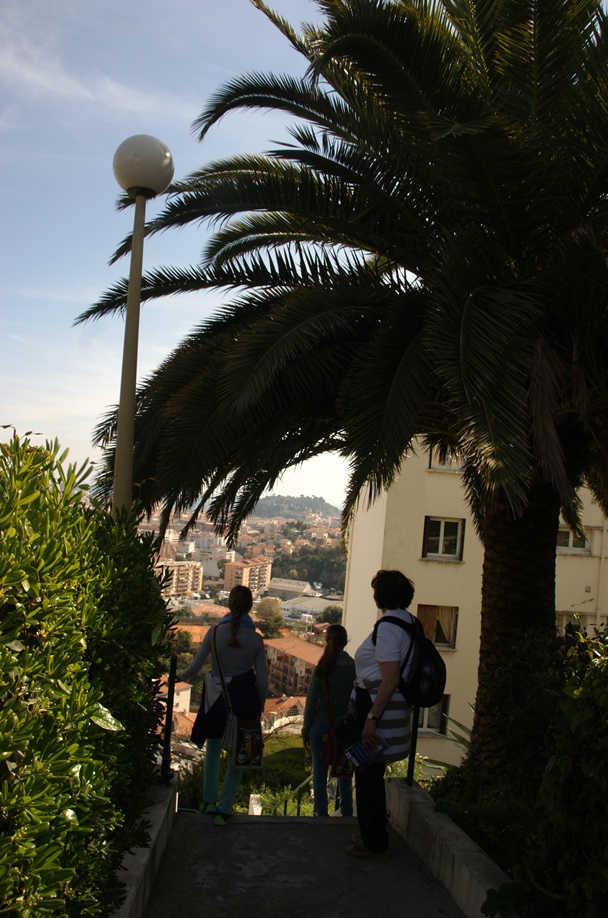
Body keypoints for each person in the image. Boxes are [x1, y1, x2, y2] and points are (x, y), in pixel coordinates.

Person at [177, 585, 268, 825]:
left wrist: (179, 677)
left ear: (229, 604)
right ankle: (224, 809)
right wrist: (259, 706)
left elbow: (195, 667)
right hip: (245, 699)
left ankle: (208, 802)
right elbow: (263, 680)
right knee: (237, 755)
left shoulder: (214, 633)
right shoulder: (256, 640)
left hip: (215, 698)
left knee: (213, 749)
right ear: (250, 607)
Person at [346, 570, 416, 859]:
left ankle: (374, 840)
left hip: (376, 708)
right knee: (370, 772)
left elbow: (389, 679)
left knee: (367, 774)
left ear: (380, 595)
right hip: (390, 708)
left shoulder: (387, 627)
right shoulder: (410, 623)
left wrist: (371, 720)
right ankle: (369, 832)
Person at [302, 624, 356, 818]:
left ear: (327, 641)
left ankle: (322, 814)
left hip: (319, 727)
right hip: (344, 728)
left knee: (319, 771)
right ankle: (347, 812)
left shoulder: (322, 667)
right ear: (345, 642)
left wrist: (305, 730)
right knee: (343, 771)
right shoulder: (354, 668)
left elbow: (310, 704)